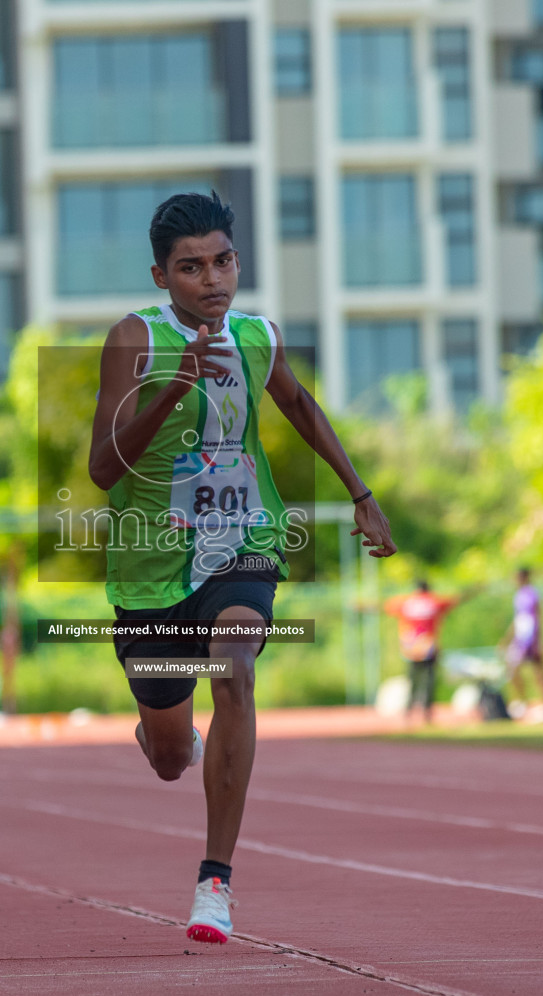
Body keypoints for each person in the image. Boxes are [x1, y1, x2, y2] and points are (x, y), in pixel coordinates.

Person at [88, 191, 395, 944]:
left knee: (236, 662)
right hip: (150, 565)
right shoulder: (135, 339)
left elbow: (300, 404)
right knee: (168, 760)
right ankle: (169, 735)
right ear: (162, 277)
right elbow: (102, 468)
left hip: (242, 540)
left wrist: (361, 492)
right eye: (191, 268)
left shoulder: (257, 335)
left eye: (223, 260)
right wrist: (177, 387)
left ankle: (214, 885)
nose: (212, 279)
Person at [384, 580, 471, 725]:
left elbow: (388, 606)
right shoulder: (433, 602)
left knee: (412, 679)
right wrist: (469, 592)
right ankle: (426, 711)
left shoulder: (407, 602)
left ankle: (409, 710)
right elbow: (454, 601)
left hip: (410, 648)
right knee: (429, 680)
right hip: (428, 646)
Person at [500, 567, 543, 721]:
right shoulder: (518, 595)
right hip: (520, 638)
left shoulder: (532, 594)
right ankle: (523, 701)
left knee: (539, 671)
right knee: (512, 669)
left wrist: (540, 641)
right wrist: (507, 638)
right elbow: (517, 619)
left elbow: (538, 617)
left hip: (532, 638)